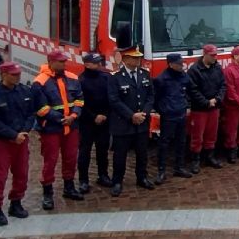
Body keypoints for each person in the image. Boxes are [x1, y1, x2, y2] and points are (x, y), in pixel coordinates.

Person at [0, 62, 35, 226]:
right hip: (1, 142)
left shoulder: (25, 92)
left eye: (18, 74)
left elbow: (31, 114)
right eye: (13, 74)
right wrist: (13, 135)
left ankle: (16, 202)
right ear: (4, 74)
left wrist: (24, 132)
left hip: (21, 140)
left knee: (22, 173)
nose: (17, 77)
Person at [31, 50, 85, 210]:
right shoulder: (39, 82)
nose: (64, 64)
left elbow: (79, 99)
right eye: (60, 62)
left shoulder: (73, 78)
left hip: (71, 125)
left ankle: (69, 187)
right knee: (50, 160)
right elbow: (41, 108)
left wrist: (74, 115)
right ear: (51, 62)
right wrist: (61, 119)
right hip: (51, 128)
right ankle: (47, 193)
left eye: (64, 62)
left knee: (70, 158)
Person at [108, 45, 155, 197]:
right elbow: (114, 100)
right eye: (135, 58)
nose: (138, 60)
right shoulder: (115, 77)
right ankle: (117, 181)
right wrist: (131, 115)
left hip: (141, 122)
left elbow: (150, 96)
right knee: (120, 155)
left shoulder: (145, 74)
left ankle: (142, 177)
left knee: (142, 153)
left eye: (139, 57)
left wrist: (144, 113)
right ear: (126, 59)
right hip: (123, 123)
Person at [152, 53, 193, 184]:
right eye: (179, 64)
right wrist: (163, 110)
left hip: (181, 113)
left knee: (181, 141)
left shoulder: (184, 76)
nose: (182, 66)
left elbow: (189, 91)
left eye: (182, 63)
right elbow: (155, 98)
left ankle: (179, 167)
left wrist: (186, 104)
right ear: (170, 64)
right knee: (164, 143)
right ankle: (161, 171)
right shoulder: (161, 79)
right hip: (168, 116)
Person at [77, 53, 113, 194]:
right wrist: (93, 116)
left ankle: (103, 175)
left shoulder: (105, 78)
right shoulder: (81, 80)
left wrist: (105, 114)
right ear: (86, 64)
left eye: (99, 62)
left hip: (104, 119)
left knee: (102, 150)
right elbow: (80, 102)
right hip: (87, 121)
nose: (99, 65)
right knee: (85, 151)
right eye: (95, 63)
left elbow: (111, 97)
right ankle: (83, 180)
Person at [186, 44, 225, 173]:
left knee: (211, 134)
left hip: (214, 107)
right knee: (197, 136)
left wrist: (217, 99)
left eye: (216, 55)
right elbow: (192, 90)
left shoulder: (218, 68)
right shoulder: (194, 70)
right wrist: (206, 102)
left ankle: (209, 156)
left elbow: (223, 85)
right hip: (200, 109)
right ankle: (195, 160)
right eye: (213, 55)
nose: (215, 57)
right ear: (205, 55)